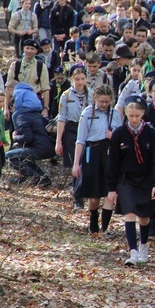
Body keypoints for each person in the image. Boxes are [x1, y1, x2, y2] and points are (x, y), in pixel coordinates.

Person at [107, 96, 155, 266]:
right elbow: (113, 163)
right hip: (126, 179)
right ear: (125, 114)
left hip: (146, 179)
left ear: (142, 115)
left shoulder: (151, 133)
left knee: (145, 217)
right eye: (130, 116)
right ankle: (132, 251)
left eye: (137, 116)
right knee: (130, 214)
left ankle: (143, 246)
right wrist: (112, 188)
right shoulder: (119, 133)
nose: (133, 119)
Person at [73, 85, 123, 236]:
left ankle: (105, 228)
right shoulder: (87, 113)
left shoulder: (115, 114)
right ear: (95, 99)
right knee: (94, 195)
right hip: (92, 152)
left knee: (110, 191)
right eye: (101, 101)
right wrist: (76, 163)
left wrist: (113, 136)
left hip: (109, 152)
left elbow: (121, 138)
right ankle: (93, 217)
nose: (104, 104)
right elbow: (80, 140)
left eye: (107, 102)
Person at [56, 65, 92, 209]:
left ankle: (81, 192)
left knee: (85, 163)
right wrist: (58, 140)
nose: (79, 82)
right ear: (72, 79)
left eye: (82, 79)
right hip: (71, 129)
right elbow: (62, 118)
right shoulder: (66, 95)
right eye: (77, 79)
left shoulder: (91, 94)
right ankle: (78, 198)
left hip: (88, 129)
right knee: (76, 164)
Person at [6, 84, 55, 187]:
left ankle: (37, 177)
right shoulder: (36, 114)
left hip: (40, 149)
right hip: (49, 147)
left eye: (12, 107)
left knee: (9, 156)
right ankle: (41, 177)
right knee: (18, 149)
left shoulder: (21, 116)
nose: (12, 110)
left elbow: (28, 138)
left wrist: (15, 137)